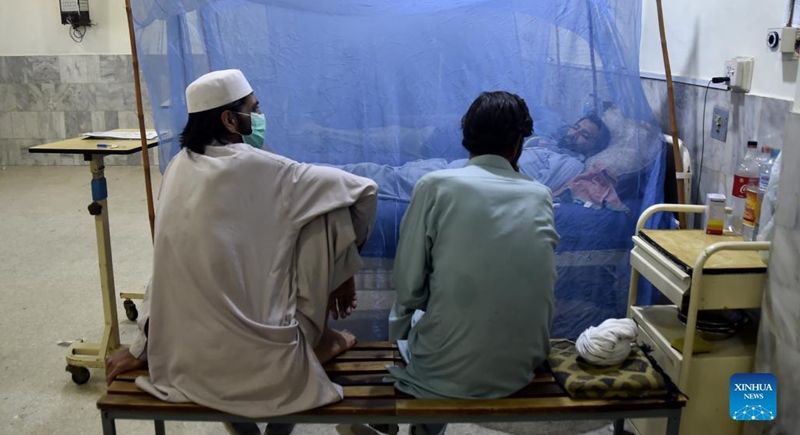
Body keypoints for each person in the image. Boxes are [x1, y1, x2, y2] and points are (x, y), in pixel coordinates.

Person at [104, 69, 378, 429]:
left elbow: (164, 269)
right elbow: (365, 190)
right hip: (266, 361)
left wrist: (143, 346)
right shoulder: (275, 171)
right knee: (329, 214)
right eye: (254, 108)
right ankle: (320, 339)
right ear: (230, 119)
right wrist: (345, 271)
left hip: (186, 359)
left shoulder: (176, 169)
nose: (260, 117)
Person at [387, 91, 560, 435]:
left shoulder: (435, 186)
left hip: (444, 367)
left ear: (468, 139)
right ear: (518, 143)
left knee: (425, 331)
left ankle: (415, 425)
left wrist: (401, 335)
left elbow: (408, 285)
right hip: (519, 368)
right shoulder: (541, 195)